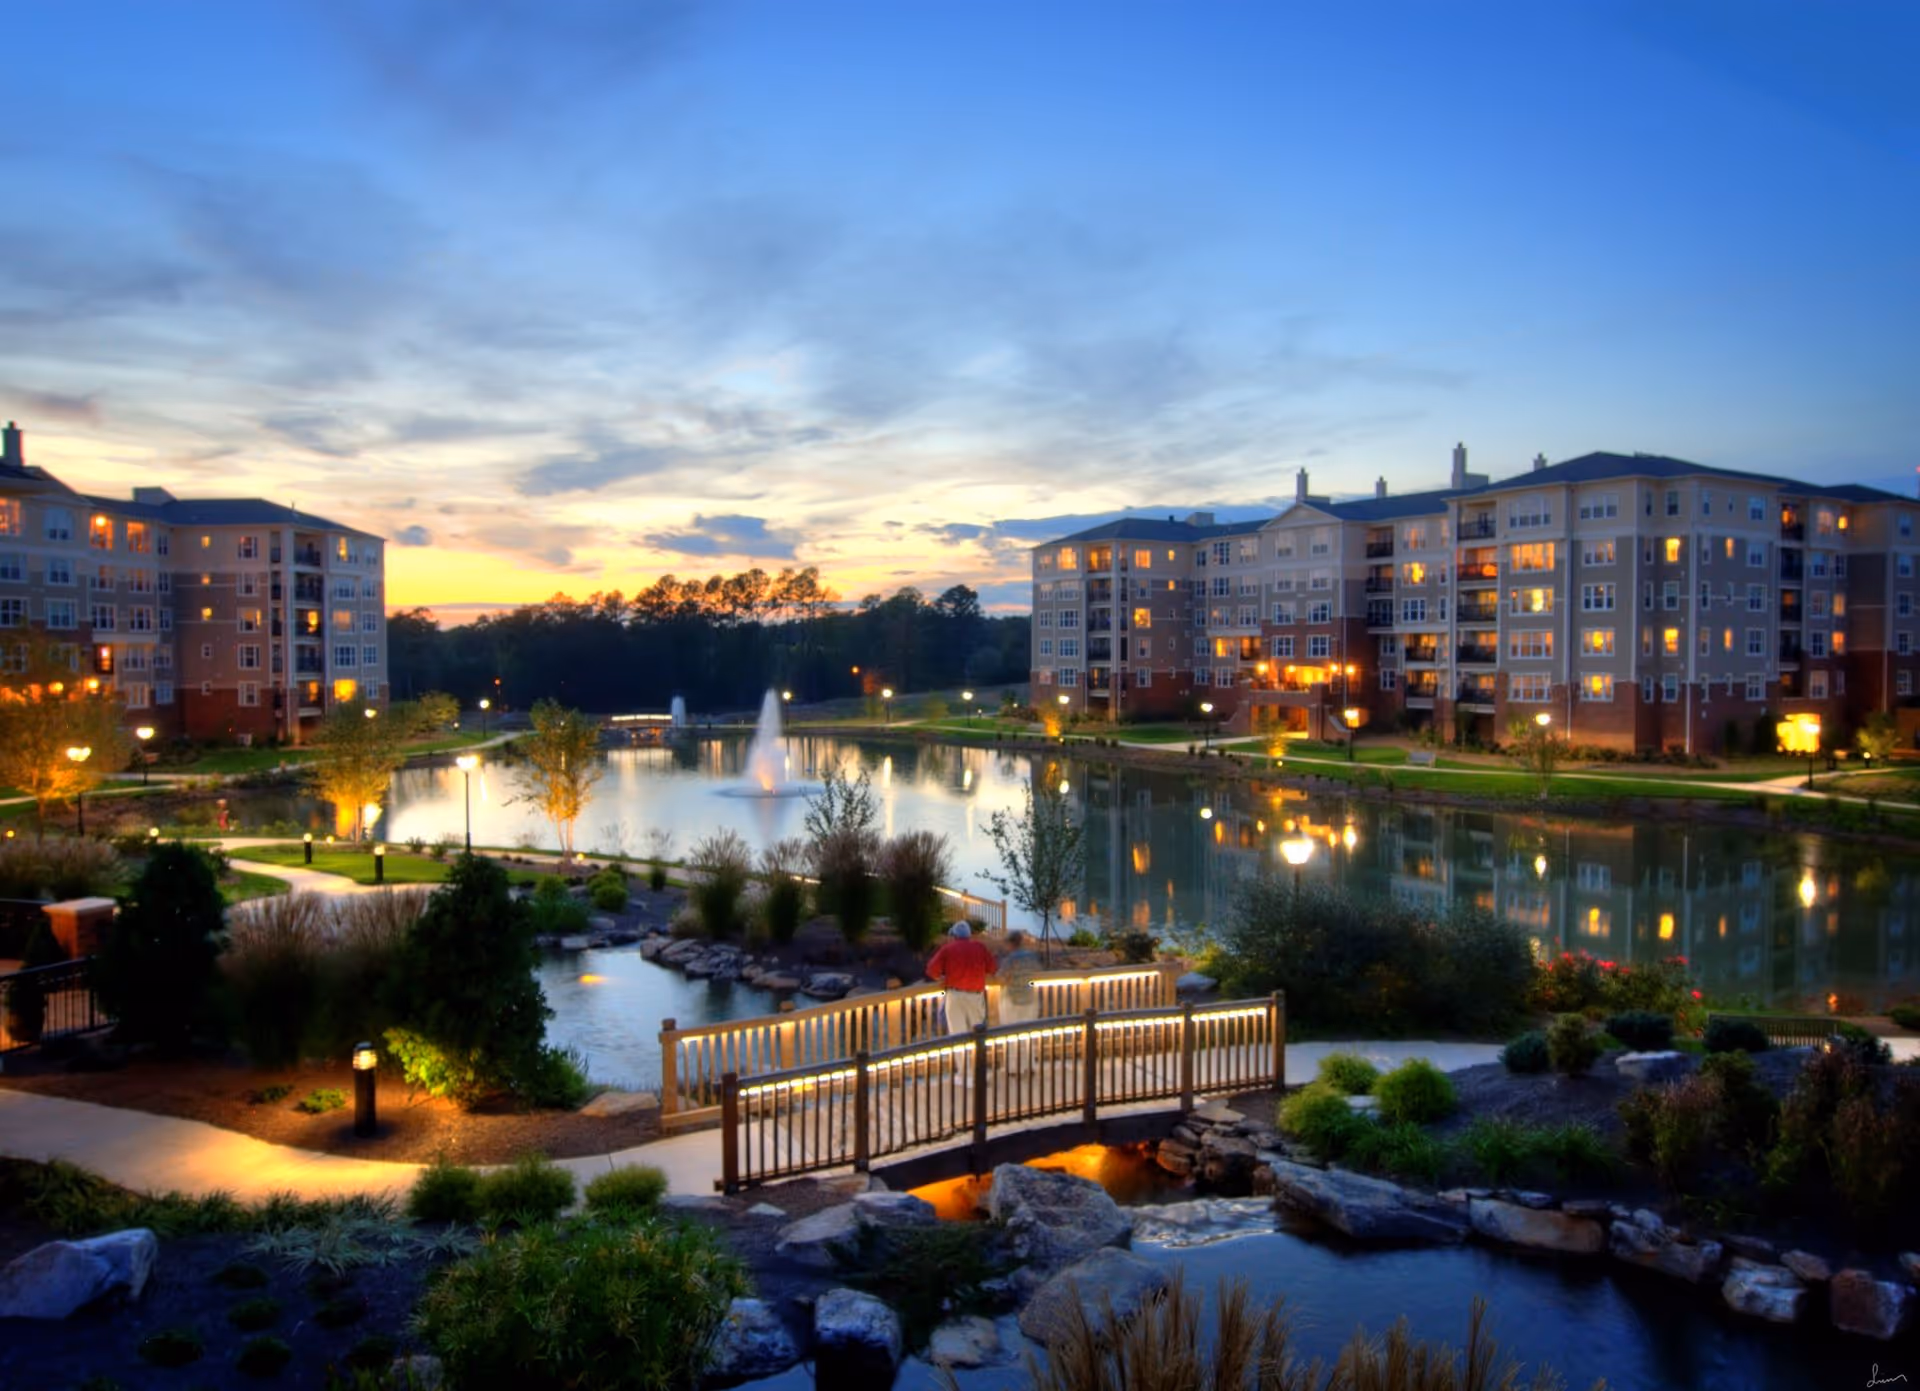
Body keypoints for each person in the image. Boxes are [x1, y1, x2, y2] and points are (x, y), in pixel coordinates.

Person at [926, 921, 997, 1039]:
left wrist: (941, 978)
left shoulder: (947, 948)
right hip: (976, 995)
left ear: (954, 935)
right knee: (978, 1032)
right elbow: (992, 968)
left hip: (955, 995)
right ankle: (978, 1056)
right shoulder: (980, 947)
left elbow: (931, 970)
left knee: (957, 1034)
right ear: (969, 935)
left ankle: (962, 1058)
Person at [997, 929, 1043, 1078]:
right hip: (1029, 998)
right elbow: (1038, 972)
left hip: (1012, 999)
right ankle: (1030, 1065)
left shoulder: (1010, 959)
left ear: (1011, 944)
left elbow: (1001, 978)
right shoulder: (1031, 957)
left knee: (1011, 1034)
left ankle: (1013, 1067)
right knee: (1028, 1034)